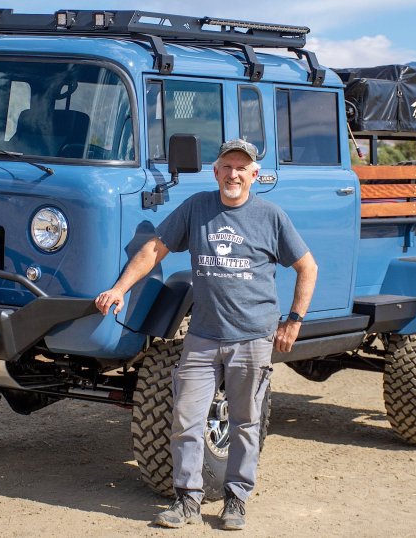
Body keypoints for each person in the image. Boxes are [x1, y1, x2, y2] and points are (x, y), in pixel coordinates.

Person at [95, 139, 318, 530]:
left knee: (244, 424)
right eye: (227, 167)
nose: (234, 174)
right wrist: (120, 288)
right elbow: (154, 250)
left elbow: (307, 267)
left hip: (252, 339)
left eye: (242, 168)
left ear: (254, 175)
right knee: (186, 420)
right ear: (215, 172)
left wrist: (294, 321)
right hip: (202, 337)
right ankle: (187, 501)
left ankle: (236, 500)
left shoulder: (270, 217)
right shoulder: (197, 208)